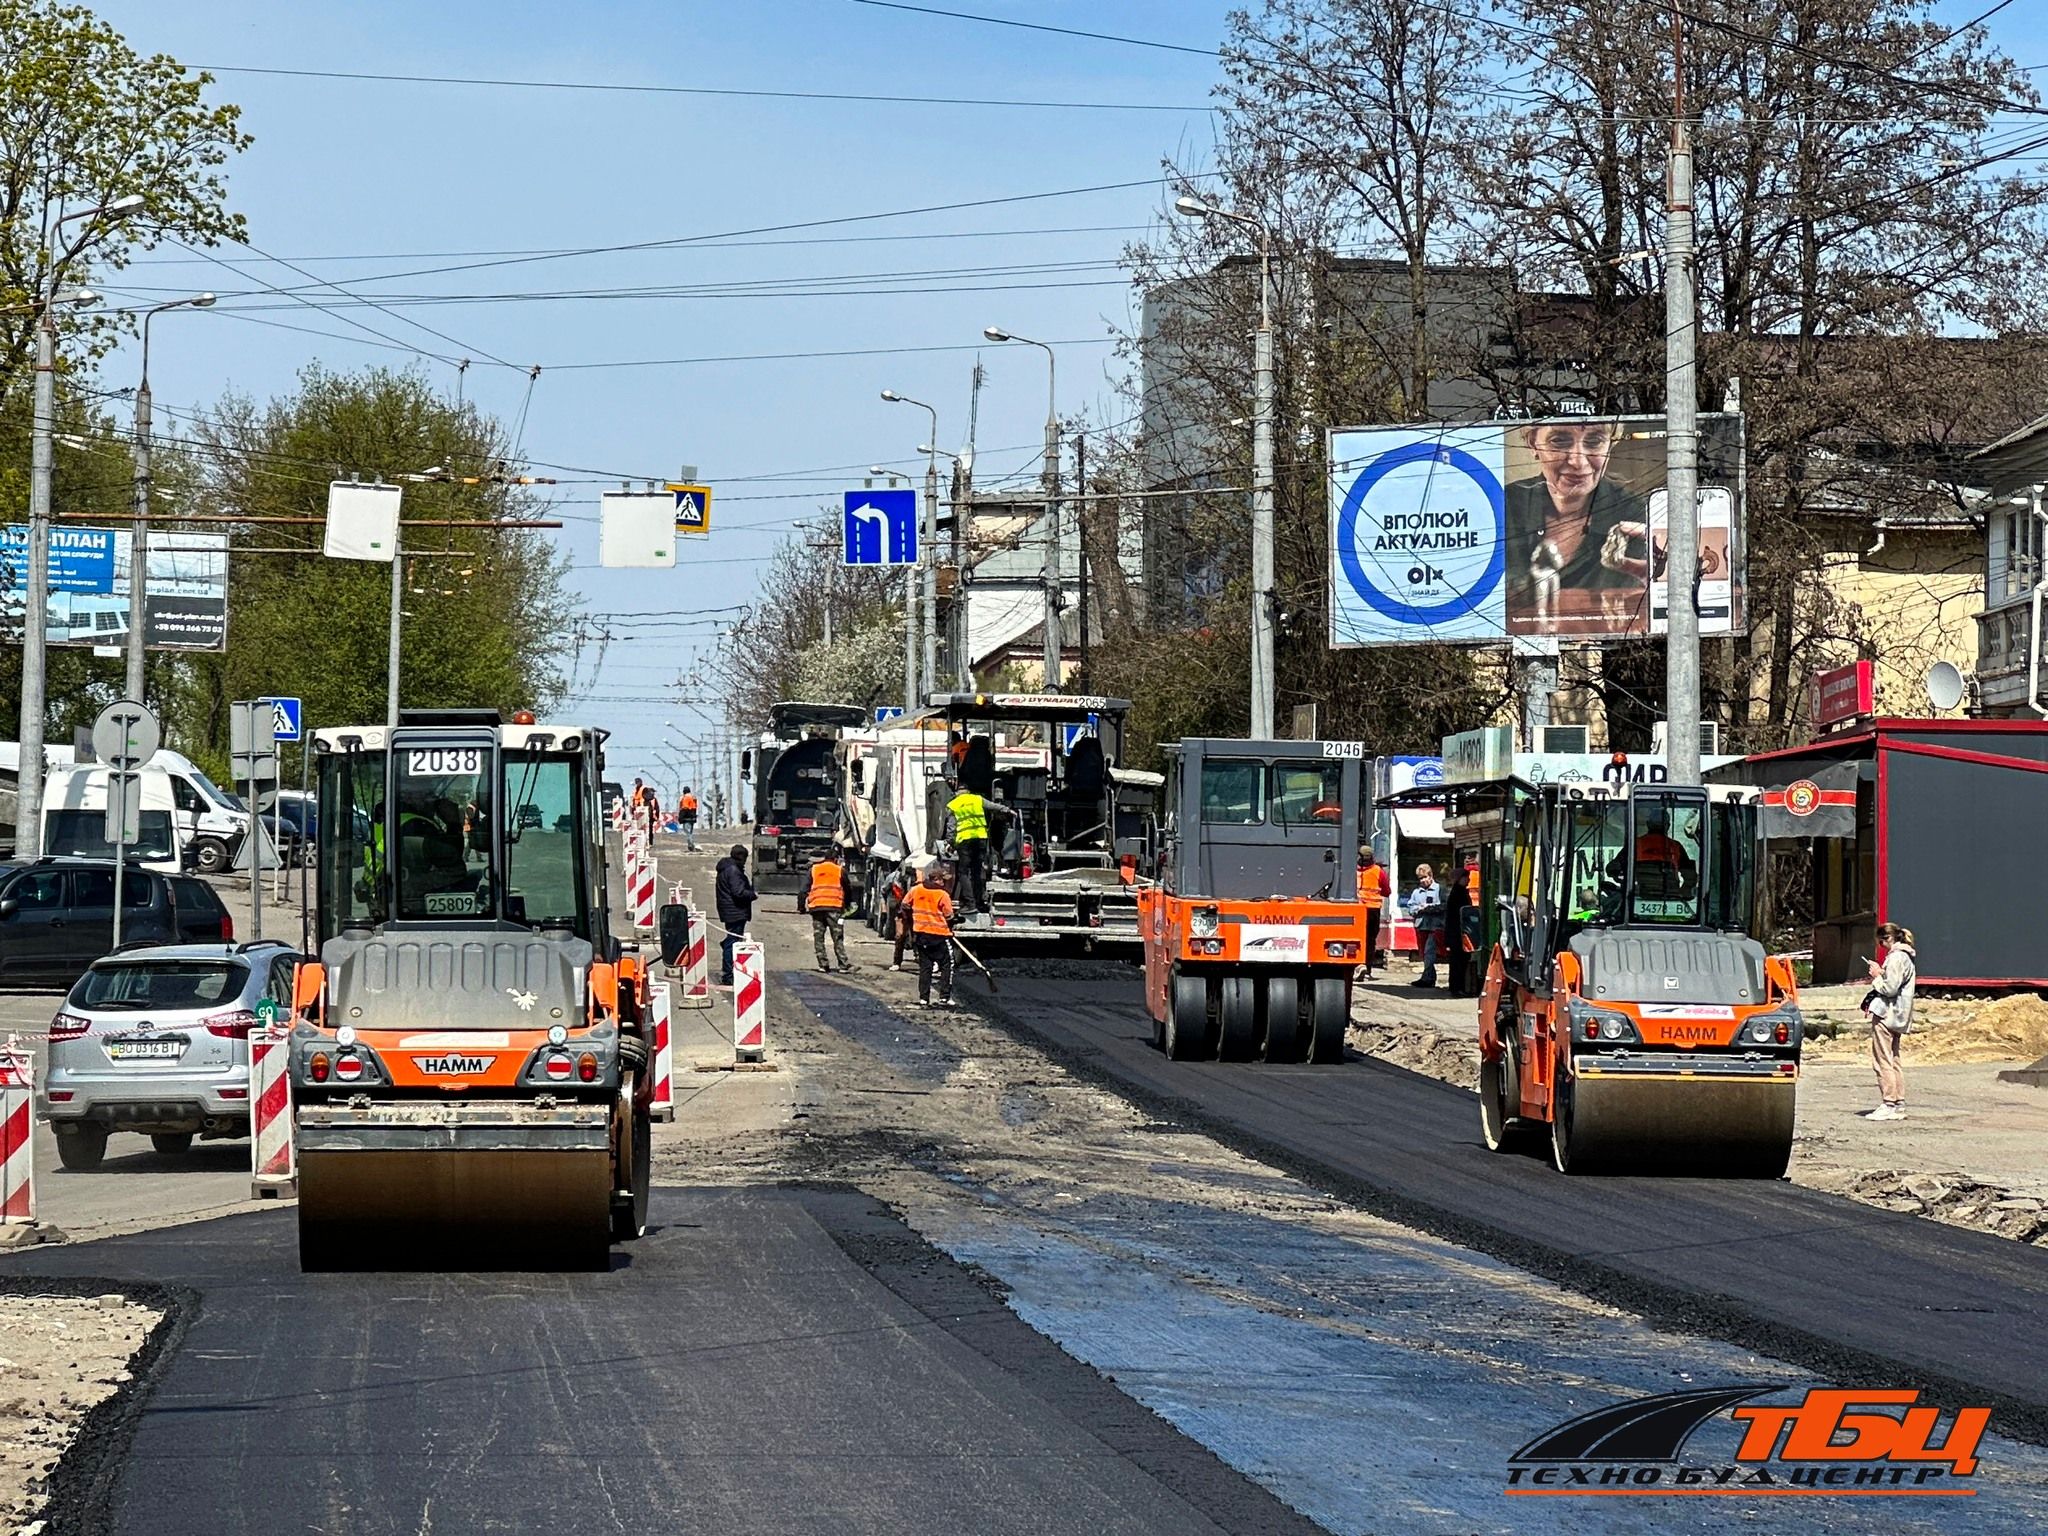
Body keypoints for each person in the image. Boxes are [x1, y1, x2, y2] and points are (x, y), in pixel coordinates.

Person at [1503, 419, 1655, 633]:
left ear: (1610, 445)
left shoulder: (1638, 517)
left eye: (1594, 442)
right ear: (1532, 443)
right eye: (1559, 441)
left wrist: (1661, 587)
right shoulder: (1502, 506)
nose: (1578, 461)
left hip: (1609, 659)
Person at [1864, 923, 1918, 1121]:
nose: (1880, 946)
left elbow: (1890, 988)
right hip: (1900, 1015)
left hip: (1887, 1014)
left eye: (1880, 942)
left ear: (1887, 939)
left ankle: (1888, 1103)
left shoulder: (1896, 957)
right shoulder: (1907, 956)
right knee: (1894, 1058)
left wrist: (1877, 975)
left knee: (1882, 1060)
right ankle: (1899, 1102)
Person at [902, 863, 956, 1008]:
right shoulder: (942, 894)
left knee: (925, 967)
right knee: (947, 965)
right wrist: (953, 923)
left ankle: (923, 998)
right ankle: (944, 997)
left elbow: (905, 905)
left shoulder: (916, 890)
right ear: (936, 880)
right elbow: (949, 915)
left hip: (921, 934)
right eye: (942, 880)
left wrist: (911, 919)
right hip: (939, 936)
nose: (944, 883)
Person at [943, 782, 991, 914]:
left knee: (963, 872)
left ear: (957, 792)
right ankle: (980, 902)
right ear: (968, 791)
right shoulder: (977, 799)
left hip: (965, 842)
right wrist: (1007, 810)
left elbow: (951, 827)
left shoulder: (953, 804)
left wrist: (950, 843)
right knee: (977, 872)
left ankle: (970, 904)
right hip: (981, 839)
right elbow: (994, 806)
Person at [714, 843, 757, 986]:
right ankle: (728, 974)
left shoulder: (727, 868)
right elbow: (738, 892)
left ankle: (729, 964)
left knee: (732, 939)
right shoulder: (733, 870)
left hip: (730, 909)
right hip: (735, 911)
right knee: (733, 942)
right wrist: (752, 894)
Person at [804, 849, 854, 973]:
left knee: (818, 937)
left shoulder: (814, 870)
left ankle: (823, 965)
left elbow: (803, 890)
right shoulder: (839, 870)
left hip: (817, 909)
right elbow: (848, 890)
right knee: (837, 937)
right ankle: (843, 965)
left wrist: (801, 907)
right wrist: (846, 905)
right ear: (836, 859)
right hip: (834, 908)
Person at [1406, 863, 1443, 989]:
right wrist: (1418, 909)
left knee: (1429, 952)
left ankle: (1427, 978)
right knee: (1424, 953)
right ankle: (1429, 978)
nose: (1423, 881)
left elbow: (1444, 906)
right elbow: (1410, 908)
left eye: (1424, 878)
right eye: (1420, 879)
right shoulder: (1417, 892)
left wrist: (1430, 908)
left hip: (1435, 926)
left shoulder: (1439, 889)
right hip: (1421, 926)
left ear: (1431, 876)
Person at [1444, 857, 1472, 995]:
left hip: (1459, 933)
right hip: (1458, 933)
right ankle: (1457, 988)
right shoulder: (1458, 893)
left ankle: (1457, 987)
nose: (1469, 880)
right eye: (1466, 877)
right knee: (1458, 962)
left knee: (1460, 961)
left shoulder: (1459, 892)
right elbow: (1459, 914)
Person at [678, 786, 700, 852]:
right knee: (690, 832)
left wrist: (681, 818)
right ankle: (691, 845)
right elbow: (695, 808)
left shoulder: (686, 798)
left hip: (687, 817)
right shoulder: (693, 798)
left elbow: (685, 808)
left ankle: (691, 845)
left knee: (687, 832)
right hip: (692, 818)